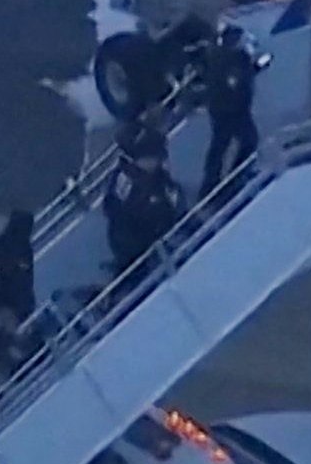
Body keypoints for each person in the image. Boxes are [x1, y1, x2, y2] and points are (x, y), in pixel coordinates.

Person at [104, 139, 185, 285]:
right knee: (135, 275)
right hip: (132, 243)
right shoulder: (128, 182)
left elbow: (173, 206)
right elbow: (115, 209)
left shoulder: (161, 181)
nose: (154, 163)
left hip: (151, 240)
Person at [198, 24, 261, 194]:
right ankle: (233, 177)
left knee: (220, 146)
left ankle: (216, 182)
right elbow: (236, 82)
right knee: (246, 141)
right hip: (232, 110)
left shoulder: (218, 57)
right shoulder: (232, 59)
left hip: (225, 109)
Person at [0, 209, 37, 335]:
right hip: (8, 302)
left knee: (4, 335)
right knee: (9, 335)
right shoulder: (21, 248)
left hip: (6, 300)